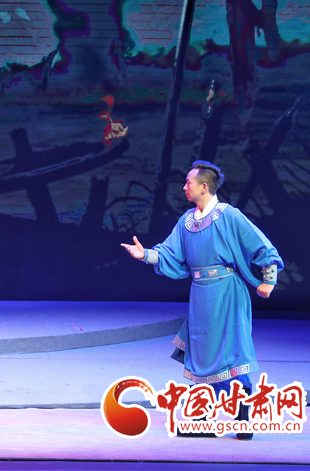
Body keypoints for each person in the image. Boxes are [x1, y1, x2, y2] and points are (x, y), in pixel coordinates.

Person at [121, 161, 283, 440]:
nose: (185, 186)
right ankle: (202, 418)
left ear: (204, 187)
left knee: (231, 352)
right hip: (200, 293)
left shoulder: (228, 215)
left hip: (227, 292)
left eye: (189, 182)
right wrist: (145, 254)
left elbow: (261, 245)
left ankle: (243, 415)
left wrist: (269, 279)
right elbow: (169, 254)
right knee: (201, 353)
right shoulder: (187, 221)